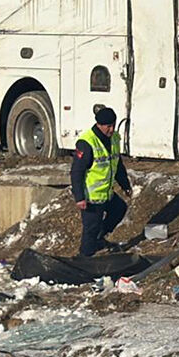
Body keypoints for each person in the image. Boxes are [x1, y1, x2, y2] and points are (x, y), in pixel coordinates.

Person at [71, 107, 132, 257]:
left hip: (107, 193)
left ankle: (99, 239)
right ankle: (84, 258)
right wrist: (79, 197)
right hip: (91, 197)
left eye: (113, 125)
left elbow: (117, 165)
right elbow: (76, 171)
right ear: (99, 124)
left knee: (119, 209)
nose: (111, 129)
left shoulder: (114, 139)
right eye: (108, 126)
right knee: (91, 229)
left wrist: (125, 185)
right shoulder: (87, 142)